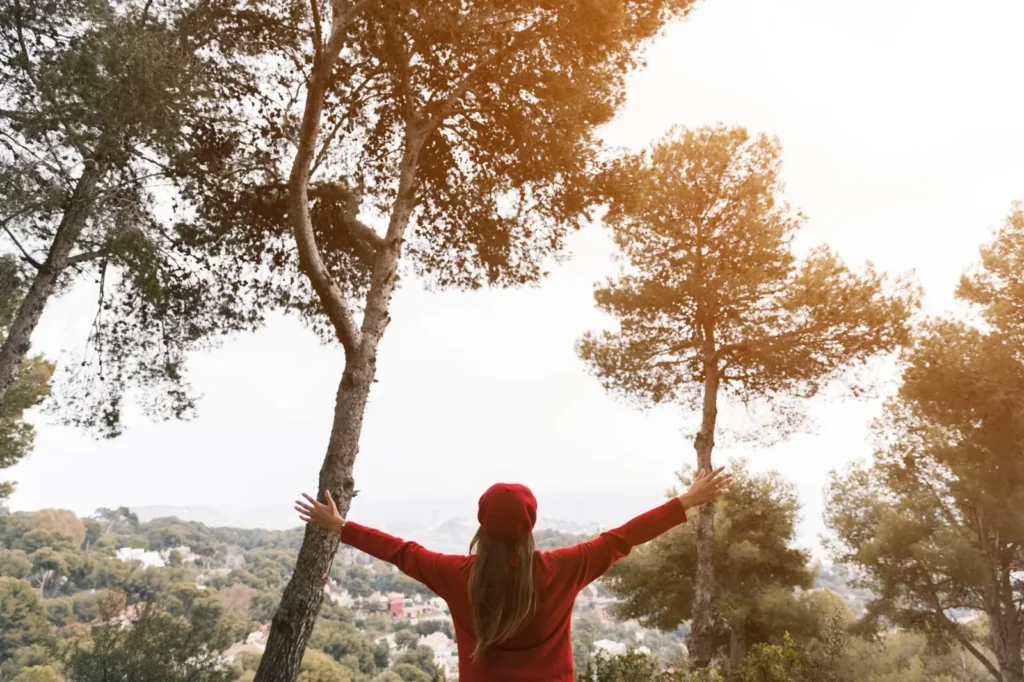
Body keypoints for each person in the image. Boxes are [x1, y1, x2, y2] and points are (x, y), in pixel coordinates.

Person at [295, 467, 732, 682]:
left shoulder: (455, 575)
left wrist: (340, 526)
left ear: (482, 525)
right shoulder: (563, 568)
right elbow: (622, 538)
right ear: (531, 525)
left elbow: (400, 551)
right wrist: (685, 501)